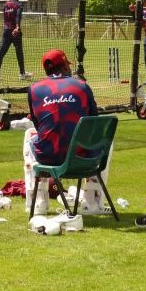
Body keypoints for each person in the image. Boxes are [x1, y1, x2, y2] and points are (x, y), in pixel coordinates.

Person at [23, 49, 111, 216]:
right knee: (105, 138)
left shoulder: (33, 89)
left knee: (29, 135)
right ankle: (92, 201)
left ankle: (38, 201)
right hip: (82, 158)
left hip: (48, 156)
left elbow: (37, 124)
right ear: (64, 66)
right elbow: (95, 122)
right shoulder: (82, 86)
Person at [0, 0, 32, 83]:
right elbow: (18, 17)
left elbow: (5, 19)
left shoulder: (5, 5)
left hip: (6, 31)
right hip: (15, 32)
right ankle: (22, 74)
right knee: (19, 53)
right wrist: (17, 27)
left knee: (1, 53)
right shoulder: (19, 5)